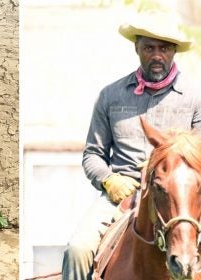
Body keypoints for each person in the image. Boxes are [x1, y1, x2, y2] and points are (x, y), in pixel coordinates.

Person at [61, 10, 201, 280]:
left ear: (174, 52)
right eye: (149, 48)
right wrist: (109, 180)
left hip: (181, 197)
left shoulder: (195, 99)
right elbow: (93, 155)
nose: (157, 55)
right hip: (122, 194)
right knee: (77, 249)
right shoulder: (110, 96)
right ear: (137, 48)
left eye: (164, 48)